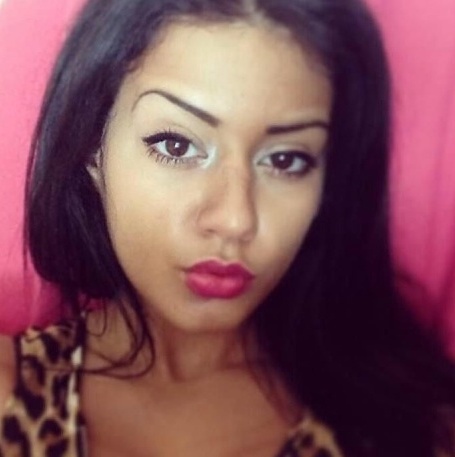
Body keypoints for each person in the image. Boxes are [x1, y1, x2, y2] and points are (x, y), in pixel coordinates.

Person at [0, 0, 454, 455]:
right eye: (176, 146)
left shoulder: (411, 424)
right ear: (91, 148)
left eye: (286, 160)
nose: (236, 220)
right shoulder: (10, 391)